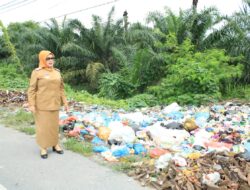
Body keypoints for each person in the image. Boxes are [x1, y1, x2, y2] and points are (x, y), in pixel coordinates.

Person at [27, 50, 69, 159]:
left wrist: (65, 102)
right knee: (43, 127)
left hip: (55, 103)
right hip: (41, 105)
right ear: (42, 59)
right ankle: (43, 147)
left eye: (52, 58)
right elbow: (31, 89)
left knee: (54, 126)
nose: (50, 60)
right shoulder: (37, 72)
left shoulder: (57, 72)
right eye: (48, 58)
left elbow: (61, 89)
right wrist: (31, 104)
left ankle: (55, 144)